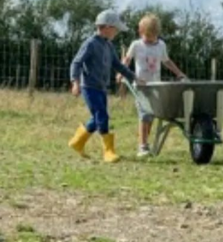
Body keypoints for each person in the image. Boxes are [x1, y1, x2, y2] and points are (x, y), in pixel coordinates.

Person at [68, 9, 146, 163]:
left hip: (102, 88)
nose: (116, 32)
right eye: (115, 29)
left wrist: (134, 78)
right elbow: (76, 63)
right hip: (89, 87)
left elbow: (118, 65)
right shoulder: (90, 43)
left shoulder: (109, 46)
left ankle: (77, 142)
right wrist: (75, 82)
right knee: (102, 116)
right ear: (107, 27)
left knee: (97, 117)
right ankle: (108, 151)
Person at [120, 14, 187, 157]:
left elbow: (167, 61)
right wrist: (121, 73)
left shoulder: (161, 45)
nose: (148, 38)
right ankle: (142, 146)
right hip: (141, 86)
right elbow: (127, 59)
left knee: (151, 116)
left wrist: (179, 73)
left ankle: (144, 141)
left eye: (151, 36)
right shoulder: (136, 44)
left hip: (155, 86)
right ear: (140, 32)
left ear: (157, 34)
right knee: (144, 114)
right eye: (145, 35)